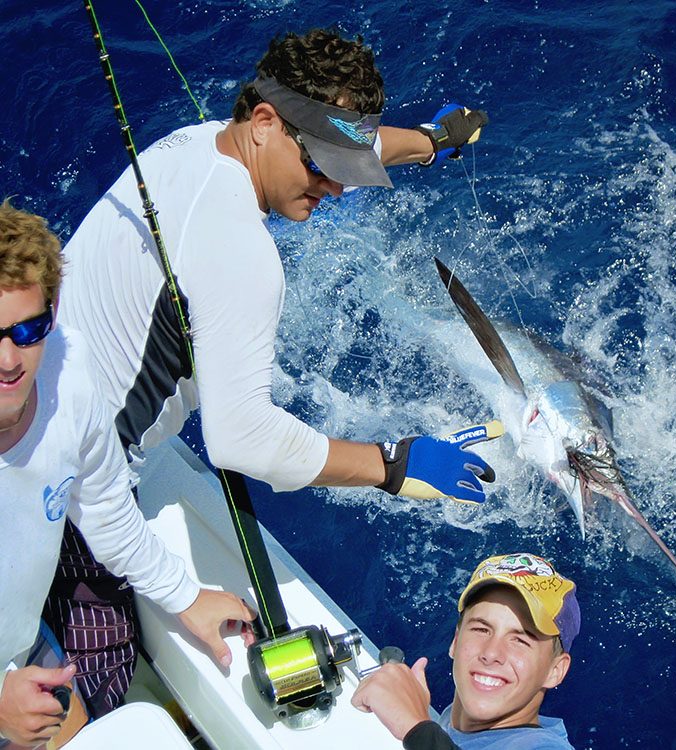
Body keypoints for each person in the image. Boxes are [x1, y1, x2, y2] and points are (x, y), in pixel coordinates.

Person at [50, 27, 497, 716]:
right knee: (100, 705)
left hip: (32, 403)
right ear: (264, 123)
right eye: (323, 168)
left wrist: (432, 141)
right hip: (76, 501)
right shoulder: (246, 259)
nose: (338, 190)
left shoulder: (194, 141)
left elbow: (355, 142)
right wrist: (391, 464)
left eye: (344, 168)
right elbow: (241, 439)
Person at [0, 202, 255, 746]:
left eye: (29, 329)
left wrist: (185, 596)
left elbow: (106, 512)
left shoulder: (69, 373)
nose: (9, 359)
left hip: (17, 652)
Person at [353, 553, 580, 749]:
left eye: (520, 640)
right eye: (481, 629)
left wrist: (415, 726)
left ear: (555, 670)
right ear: (456, 640)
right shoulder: (457, 723)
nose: (491, 653)